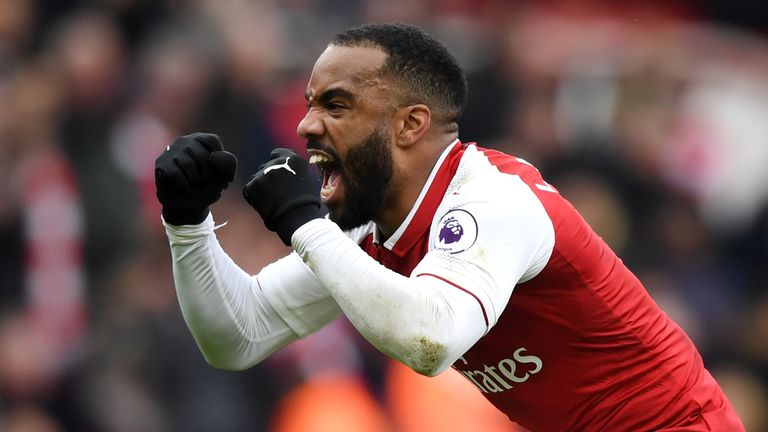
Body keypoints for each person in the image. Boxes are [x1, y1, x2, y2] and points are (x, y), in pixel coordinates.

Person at [154, 23, 744, 431]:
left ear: (410, 124)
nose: (307, 126)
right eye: (309, 105)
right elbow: (238, 336)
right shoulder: (373, 226)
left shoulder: (492, 200)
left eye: (335, 105)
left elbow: (430, 340)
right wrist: (187, 223)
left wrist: (302, 222)